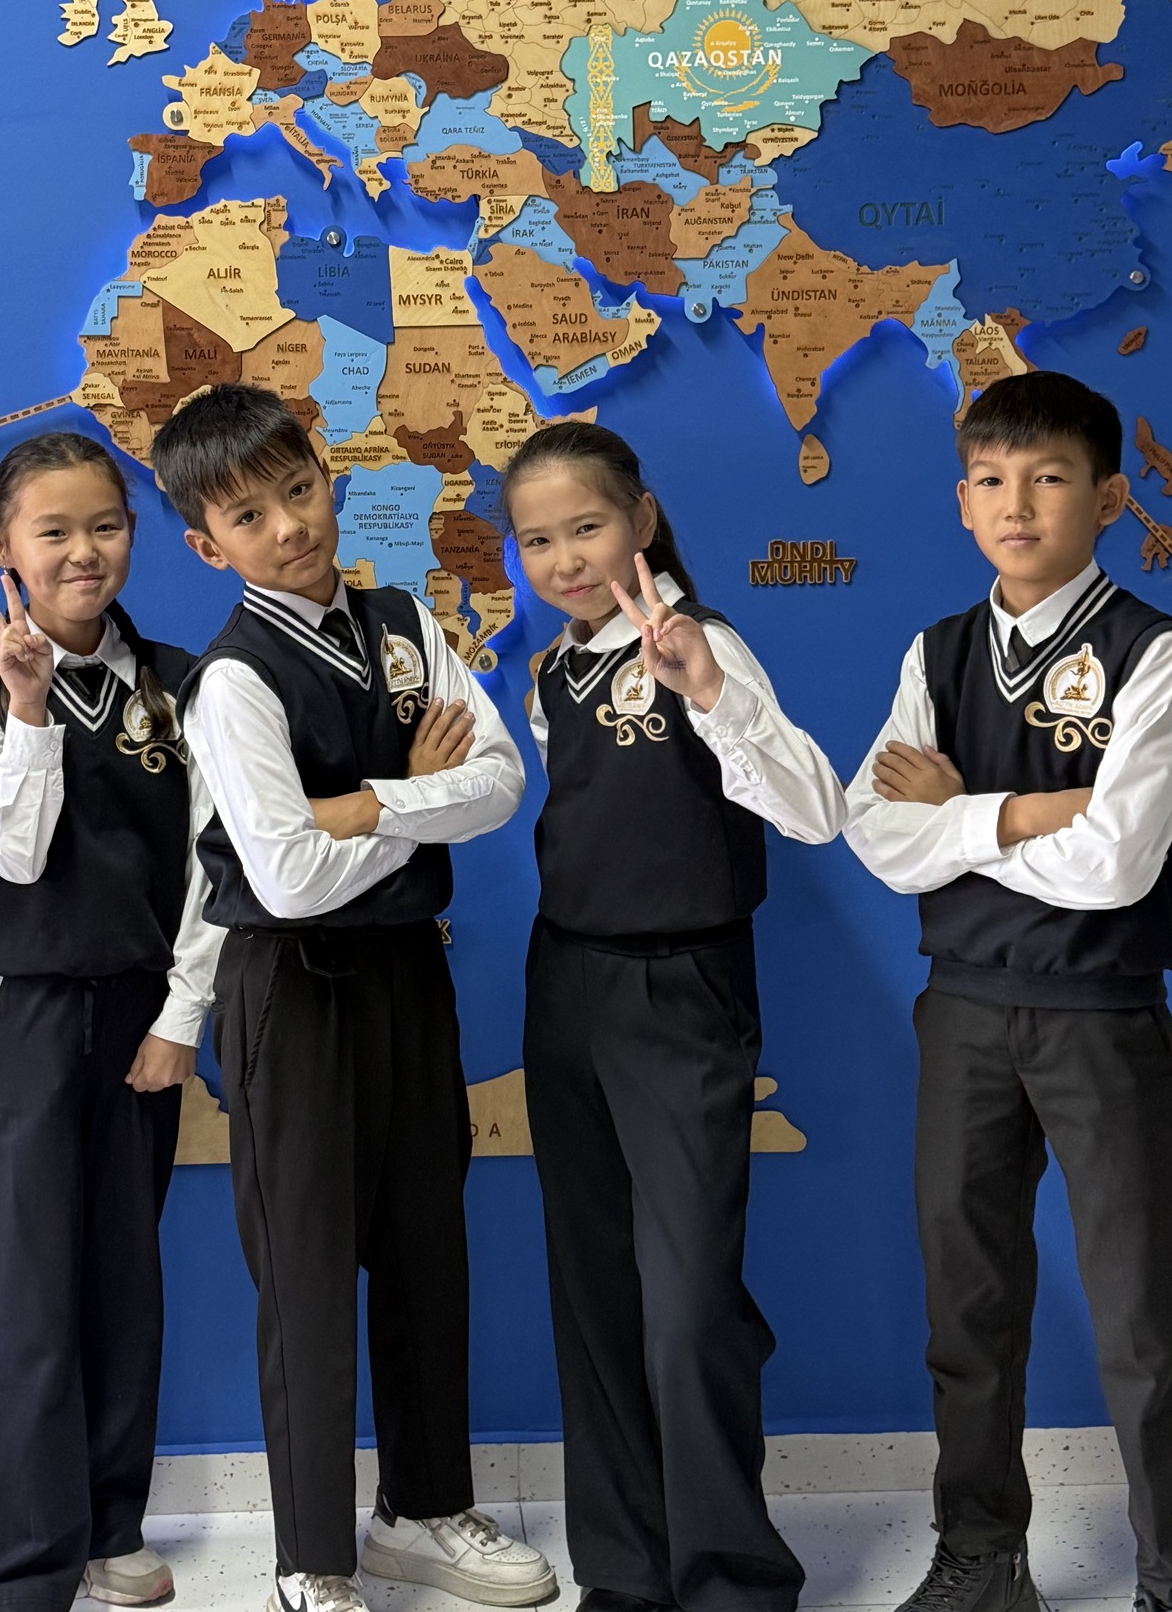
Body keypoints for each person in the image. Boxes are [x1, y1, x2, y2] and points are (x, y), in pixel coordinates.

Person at [150, 382, 556, 1612]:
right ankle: (311, 1557)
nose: (289, 525)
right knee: (311, 1273)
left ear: (327, 477)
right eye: (248, 514)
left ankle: (423, 1508)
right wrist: (409, 800)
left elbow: (500, 781)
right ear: (207, 544)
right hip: (293, 989)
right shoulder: (232, 679)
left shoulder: (404, 621)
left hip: (408, 972)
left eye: (299, 489)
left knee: (429, 1245)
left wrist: (361, 805)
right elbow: (280, 874)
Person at [502, 420, 844, 1612]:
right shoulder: (551, 671)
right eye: (536, 539)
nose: (564, 558)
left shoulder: (704, 643)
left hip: (683, 987)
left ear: (641, 520)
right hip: (566, 986)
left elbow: (814, 809)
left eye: (587, 527)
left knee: (689, 1298)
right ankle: (627, 1569)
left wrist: (704, 687)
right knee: (593, 1288)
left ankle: (732, 1577)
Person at [844, 370, 1172, 1612]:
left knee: (1144, 1317)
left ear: (1110, 498)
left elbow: (1119, 863)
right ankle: (982, 1559)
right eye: (991, 478)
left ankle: (1168, 1570)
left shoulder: (1153, 653)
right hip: (966, 1013)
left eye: (1048, 477)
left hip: (1101, 1013)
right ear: (963, 500)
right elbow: (882, 839)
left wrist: (963, 815)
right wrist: (1031, 810)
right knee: (966, 1304)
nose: (1017, 503)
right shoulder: (936, 654)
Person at [0, 431, 206, 1612]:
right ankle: (6, 1562)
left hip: (144, 1012)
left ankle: (107, 1520)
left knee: (124, 1277)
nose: (84, 551)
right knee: (32, 1286)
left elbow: (212, 867)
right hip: (34, 1011)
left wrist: (181, 1015)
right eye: (54, 531)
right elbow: (12, 848)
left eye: (105, 525)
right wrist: (31, 703)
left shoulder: (181, 681)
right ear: (3, 546)